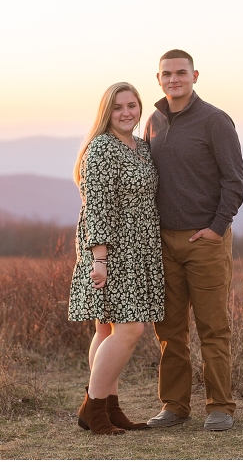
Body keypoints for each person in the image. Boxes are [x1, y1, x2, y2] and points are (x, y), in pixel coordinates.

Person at [143, 50, 243, 432]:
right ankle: (174, 406)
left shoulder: (215, 120)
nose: (174, 79)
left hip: (204, 240)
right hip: (163, 242)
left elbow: (234, 180)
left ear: (195, 75)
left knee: (212, 328)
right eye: (167, 74)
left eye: (181, 73)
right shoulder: (152, 121)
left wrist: (217, 228)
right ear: (158, 79)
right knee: (168, 329)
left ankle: (220, 406)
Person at [68, 82, 165, 435]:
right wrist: (99, 258)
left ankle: (109, 408)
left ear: (140, 109)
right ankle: (92, 409)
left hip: (140, 249)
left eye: (132, 105)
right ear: (106, 112)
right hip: (112, 251)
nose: (126, 113)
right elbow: (97, 206)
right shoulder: (101, 149)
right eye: (118, 107)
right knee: (129, 328)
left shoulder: (140, 146)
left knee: (106, 327)